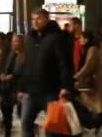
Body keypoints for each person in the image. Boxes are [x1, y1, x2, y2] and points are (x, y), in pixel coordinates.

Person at [19, 8, 74, 137]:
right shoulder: (29, 38)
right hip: (30, 91)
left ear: (46, 19)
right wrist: (21, 87)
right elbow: (25, 63)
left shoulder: (56, 38)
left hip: (50, 91)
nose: (35, 22)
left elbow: (64, 64)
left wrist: (65, 86)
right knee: (25, 124)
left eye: (38, 18)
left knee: (53, 127)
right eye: (33, 19)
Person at [74, 31, 102, 136]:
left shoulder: (92, 49)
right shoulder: (88, 49)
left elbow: (88, 66)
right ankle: (101, 128)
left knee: (98, 107)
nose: (80, 40)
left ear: (87, 39)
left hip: (95, 82)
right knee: (96, 108)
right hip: (90, 81)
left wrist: (76, 77)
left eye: (81, 38)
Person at [0, 35, 25, 137]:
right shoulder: (11, 54)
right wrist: (3, 75)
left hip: (18, 88)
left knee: (22, 113)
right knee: (6, 110)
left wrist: (11, 76)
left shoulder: (24, 56)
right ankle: (7, 132)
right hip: (8, 88)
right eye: (13, 41)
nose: (13, 43)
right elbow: (6, 68)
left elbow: (21, 72)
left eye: (16, 41)